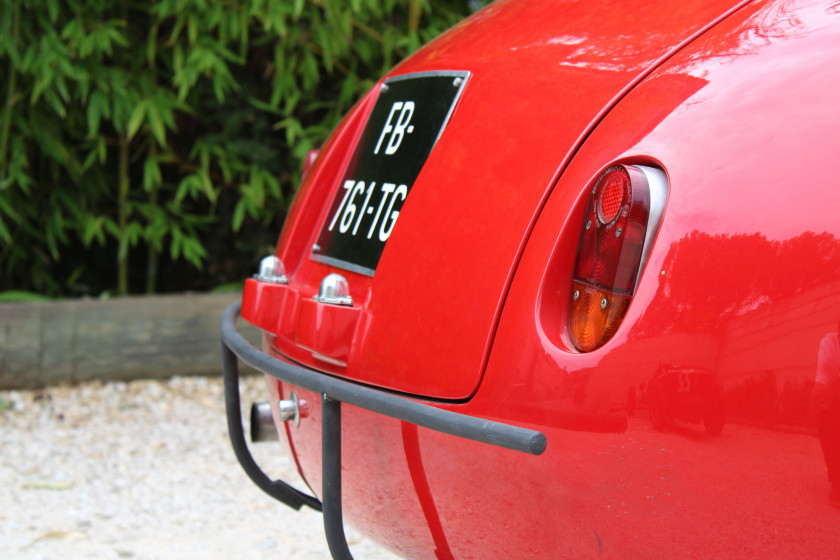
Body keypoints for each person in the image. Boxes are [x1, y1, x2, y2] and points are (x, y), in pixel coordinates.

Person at [813, 320, 840, 507]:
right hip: (836, 393)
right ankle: (837, 479)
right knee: (825, 416)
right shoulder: (830, 344)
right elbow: (822, 381)